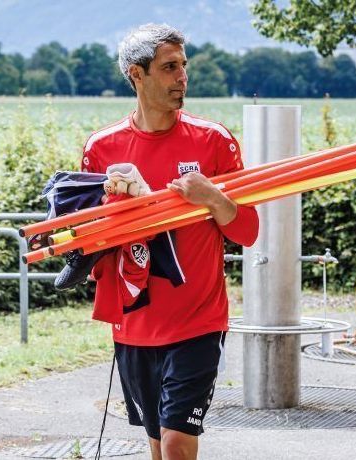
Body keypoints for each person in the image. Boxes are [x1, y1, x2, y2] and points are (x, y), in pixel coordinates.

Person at [81, 23, 259, 460]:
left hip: (199, 321)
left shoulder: (213, 141)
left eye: (183, 66)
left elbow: (248, 231)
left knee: (177, 441)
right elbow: (88, 240)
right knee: (159, 444)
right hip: (134, 324)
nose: (183, 77)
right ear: (136, 74)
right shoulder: (102, 148)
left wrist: (212, 197)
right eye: (169, 67)